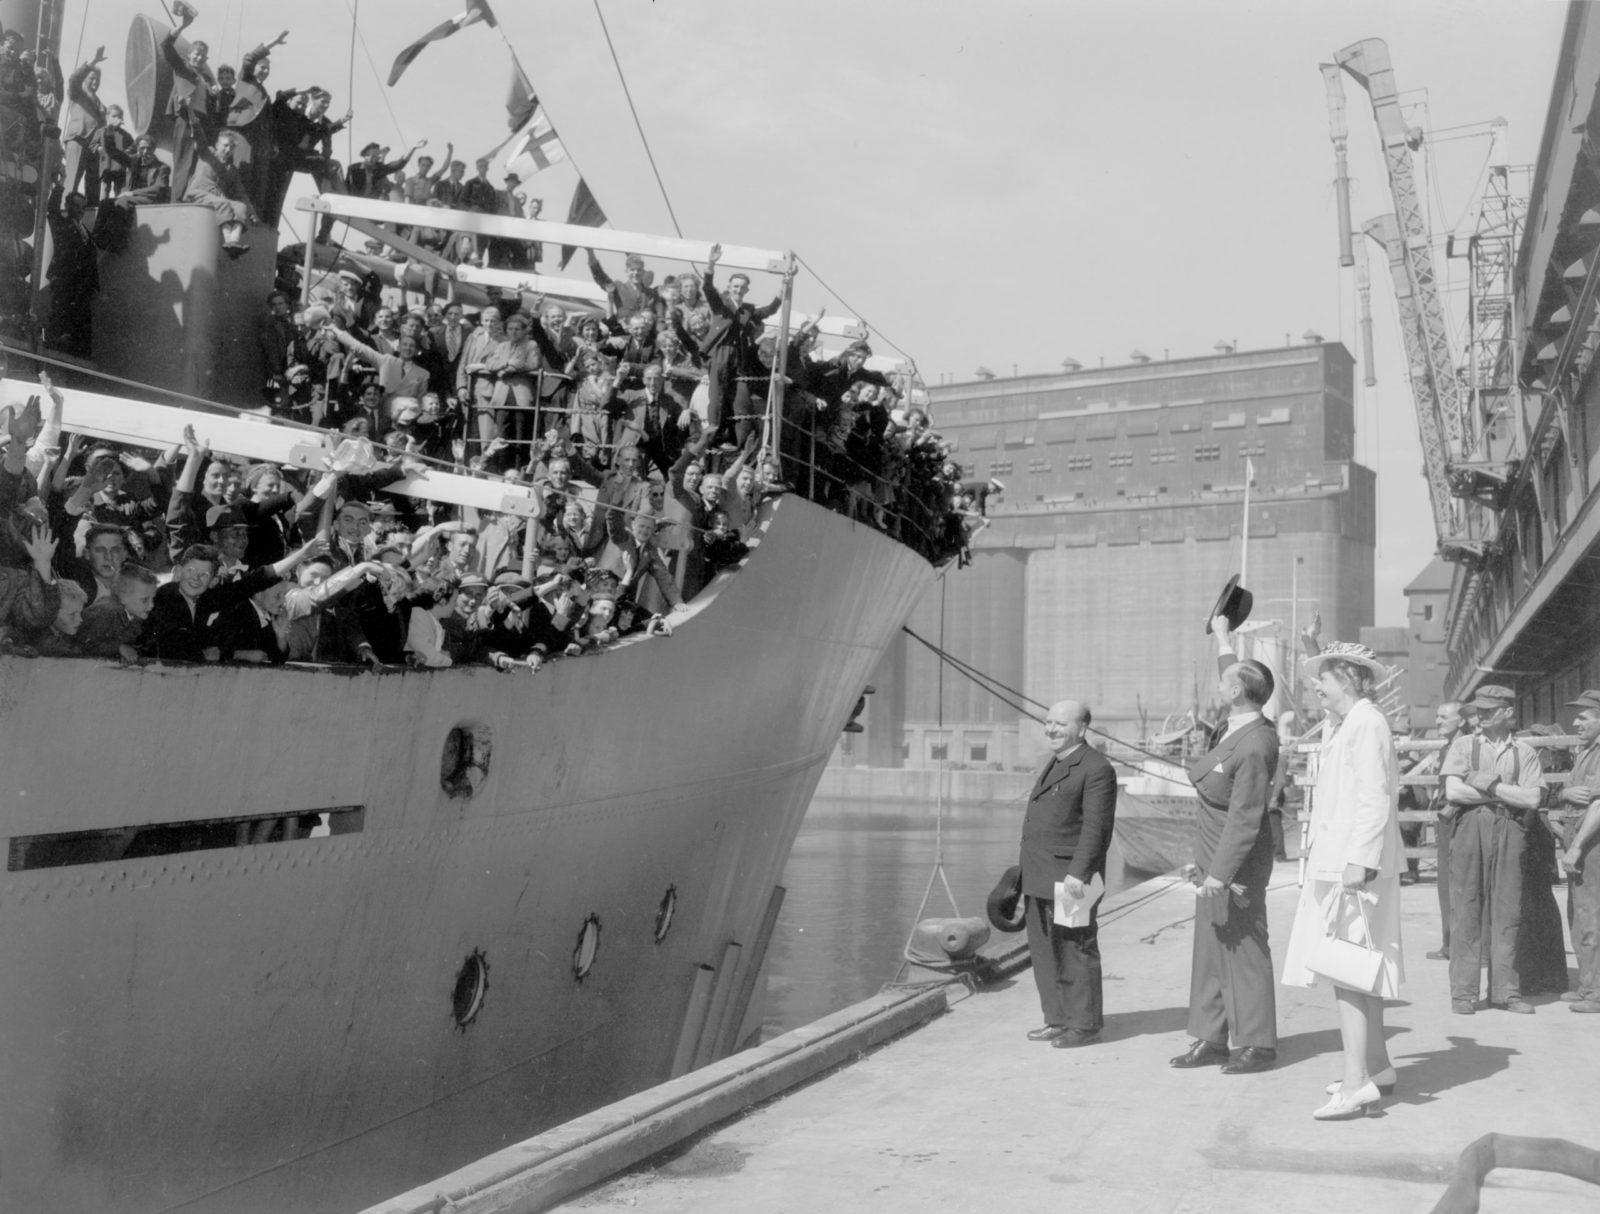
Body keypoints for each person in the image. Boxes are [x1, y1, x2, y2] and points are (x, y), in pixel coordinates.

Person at [1281, 642, 1405, 1120]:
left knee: (1347, 972)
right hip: (1344, 860)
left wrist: (1359, 860)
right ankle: (1378, 1067)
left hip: (1354, 865)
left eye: (1325, 678)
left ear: (1349, 680)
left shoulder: (1366, 723)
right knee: (1358, 967)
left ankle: (1355, 1083)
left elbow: (1375, 797)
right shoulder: (1348, 722)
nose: (1317, 686)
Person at [1170, 631, 1280, 1075]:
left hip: (1234, 863)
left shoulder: (1254, 743)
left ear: (1236, 692)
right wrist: (1221, 636)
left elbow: (1246, 817)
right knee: (1211, 949)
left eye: (1225, 682)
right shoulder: (1237, 725)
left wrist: (1219, 874)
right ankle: (1211, 1038)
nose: (1219, 685)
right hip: (1211, 854)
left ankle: (1257, 1044)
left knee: (1244, 949)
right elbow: (1234, 673)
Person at [1018, 699, 1117, 1048]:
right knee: (1045, 952)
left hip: (1072, 879)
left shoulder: (1096, 768)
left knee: (1076, 950)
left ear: (1081, 728)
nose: (1051, 729)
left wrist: (1079, 874)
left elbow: (1096, 829)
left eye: (1060, 724)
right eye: (1048, 722)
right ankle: (1057, 1019)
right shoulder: (1057, 762)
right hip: (1041, 875)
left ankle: (1084, 1025)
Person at [1440, 684, 1544, 1015]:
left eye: (1489, 709)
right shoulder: (1463, 745)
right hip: (1471, 827)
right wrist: (1507, 792)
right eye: (1479, 709)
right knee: (1467, 907)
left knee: (1508, 910)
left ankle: (1505, 991)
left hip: (1510, 829)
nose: (1481, 714)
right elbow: (1454, 792)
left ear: (1508, 712)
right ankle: (1463, 992)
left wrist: (1488, 783)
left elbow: (1532, 799)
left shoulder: (1525, 752)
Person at [1414, 699, 1469, 961]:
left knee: (1459, 884)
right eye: (1437, 716)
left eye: (1444, 717)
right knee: (1445, 884)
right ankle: (1450, 943)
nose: (1437, 722)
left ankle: (1459, 946)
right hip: (1446, 821)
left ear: (1461, 720)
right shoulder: (1447, 747)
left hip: (1459, 819)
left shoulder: (1465, 747)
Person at [1559, 690, 1600, 1013]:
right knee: (1579, 914)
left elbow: (1598, 806)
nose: (1575, 722)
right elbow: (1572, 793)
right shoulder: (1585, 751)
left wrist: (1575, 847)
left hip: (1592, 844)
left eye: (1583, 717)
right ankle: (1587, 985)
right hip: (1582, 840)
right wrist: (1566, 793)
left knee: (1591, 917)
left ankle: (1596, 992)